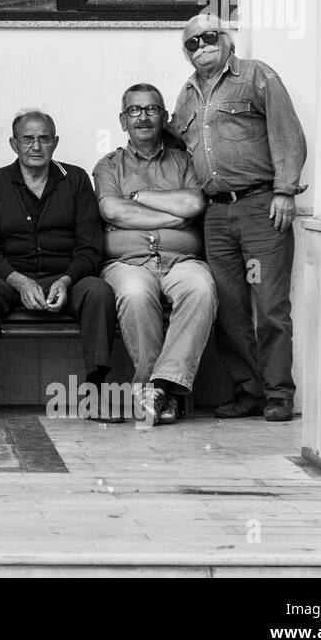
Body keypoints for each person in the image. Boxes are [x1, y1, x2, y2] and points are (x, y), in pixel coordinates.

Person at [170, 14, 307, 422]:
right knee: (228, 308)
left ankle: (279, 393)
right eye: (191, 43)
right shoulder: (188, 94)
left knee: (268, 304)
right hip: (215, 212)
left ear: (226, 40)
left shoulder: (256, 75)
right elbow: (182, 145)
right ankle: (248, 391)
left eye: (209, 37)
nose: (201, 46)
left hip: (260, 205)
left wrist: (284, 189)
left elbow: (287, 132)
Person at [0, 110, 116, 421]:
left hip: (65, 277)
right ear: (13, 144)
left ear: (55, 142)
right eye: (27, 139)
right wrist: (18, 281)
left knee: (99, 291)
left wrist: (66, 280)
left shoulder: (75, 180)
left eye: (43, 138)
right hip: (11, 278)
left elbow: (90, 248)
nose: (36, 146)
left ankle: (96, 391)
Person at [93, 84, 217, 426]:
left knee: (201, 290)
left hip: (182, 262)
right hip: (127, 263)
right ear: (122, 120)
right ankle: (162, 392)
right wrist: (172, 216)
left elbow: (193, 203)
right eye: (134, 110)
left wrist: (138, 196)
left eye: (151, 109)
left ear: (164, 117)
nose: (143, 117)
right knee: (134, 294)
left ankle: (156, 387)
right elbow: (114, 212)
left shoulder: (185, 161)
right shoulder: (108, 165)